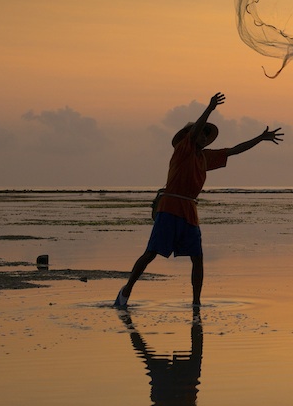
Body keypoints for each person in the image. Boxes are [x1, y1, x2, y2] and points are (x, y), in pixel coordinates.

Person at [114, 92, 283, 307]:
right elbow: (193, 134)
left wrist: (259, 138)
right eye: (200, 133)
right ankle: (126, 291)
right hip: (170, 207)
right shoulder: (182, 150)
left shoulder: (205, 157)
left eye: (206, 134)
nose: (203, 136)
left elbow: (234, 150)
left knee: (197, 257)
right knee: (151, 253)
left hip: (189, 210)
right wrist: (210, 108)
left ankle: (196, 303)